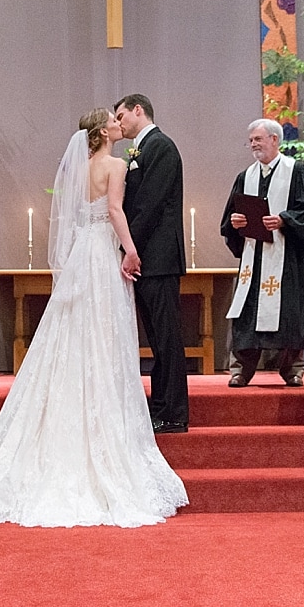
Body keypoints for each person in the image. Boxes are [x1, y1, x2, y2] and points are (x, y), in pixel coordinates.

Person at [0, 109, 188, 526]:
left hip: (82, 256)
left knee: (73, 333)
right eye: (113, 120)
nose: (118, 123)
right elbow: (115, 210)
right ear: (101, 132)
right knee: (104, 335)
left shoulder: (81, 168)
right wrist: (130, 250)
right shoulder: (114, 165)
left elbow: (81, 215)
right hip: (104, 255)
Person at [219, 118, 304, 387]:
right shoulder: (246, 176)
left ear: (275, 140)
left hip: (286, 257)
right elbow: (232, 214)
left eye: (258, 139)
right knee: (248, 312)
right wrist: (236, 222)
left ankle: (292, 369)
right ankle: (241, 369)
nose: (253, 144)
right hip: (254, 258)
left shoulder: (297, 172)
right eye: (251, 140)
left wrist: (285, 220)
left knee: (289, 311)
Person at [115, 93, 189, 433]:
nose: (118, 123)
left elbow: (150, 205)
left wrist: (128, 249)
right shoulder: (143, 149)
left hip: (157, 258)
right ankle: (161, 405)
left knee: (167, 337)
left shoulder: (161, 147)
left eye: (121, 116)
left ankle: (173, 412)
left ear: (138, 110)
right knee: (158, 338)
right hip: (148, 258)